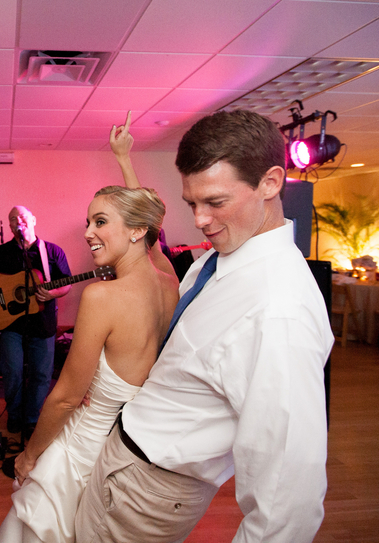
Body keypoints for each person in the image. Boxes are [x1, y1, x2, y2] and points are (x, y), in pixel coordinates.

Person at [75, 109, 335, 542]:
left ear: (270, 183)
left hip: (151, 487)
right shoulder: (223, 256)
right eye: (191, 203)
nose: (199, 219)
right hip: (126, 460)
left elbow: (287, 494)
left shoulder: (278, 310)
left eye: (215, 202)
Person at [0, 182, 179, 543]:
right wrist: (124, 159)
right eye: (89, 222)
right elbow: (153, 228)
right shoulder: (170, 285)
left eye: (100, 222)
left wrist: (29, 457)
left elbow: (65, 398)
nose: (87, 232)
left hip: (78, 449)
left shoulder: (102, 296)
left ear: (138, 230)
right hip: (120, 454)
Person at [0, 206, 72, 437]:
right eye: (12, 219)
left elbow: (66, 283)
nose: (17, 221)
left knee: (41, 374)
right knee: (12, 372)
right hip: (11, 326)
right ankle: (14, 415)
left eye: (21, 217)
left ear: (33, 220)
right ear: (10, 226)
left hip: (43, 324)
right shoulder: (0, 253)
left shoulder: (52, 251)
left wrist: (52, 293)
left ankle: (31, 418)